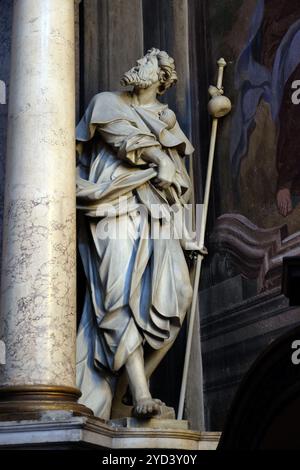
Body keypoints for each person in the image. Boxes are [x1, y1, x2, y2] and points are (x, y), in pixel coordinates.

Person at [75, 48, 200, 419]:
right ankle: (140, 393)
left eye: (146, 62)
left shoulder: (167, 122)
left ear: (161, 79)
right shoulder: (107, 103)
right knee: (118, 296)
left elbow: (179, 188)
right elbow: (122, 138)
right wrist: (159, 159)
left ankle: (124, 395)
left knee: (180, 296)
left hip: (157, 216)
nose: (136, 64)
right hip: (111, 207)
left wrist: (185, 235)